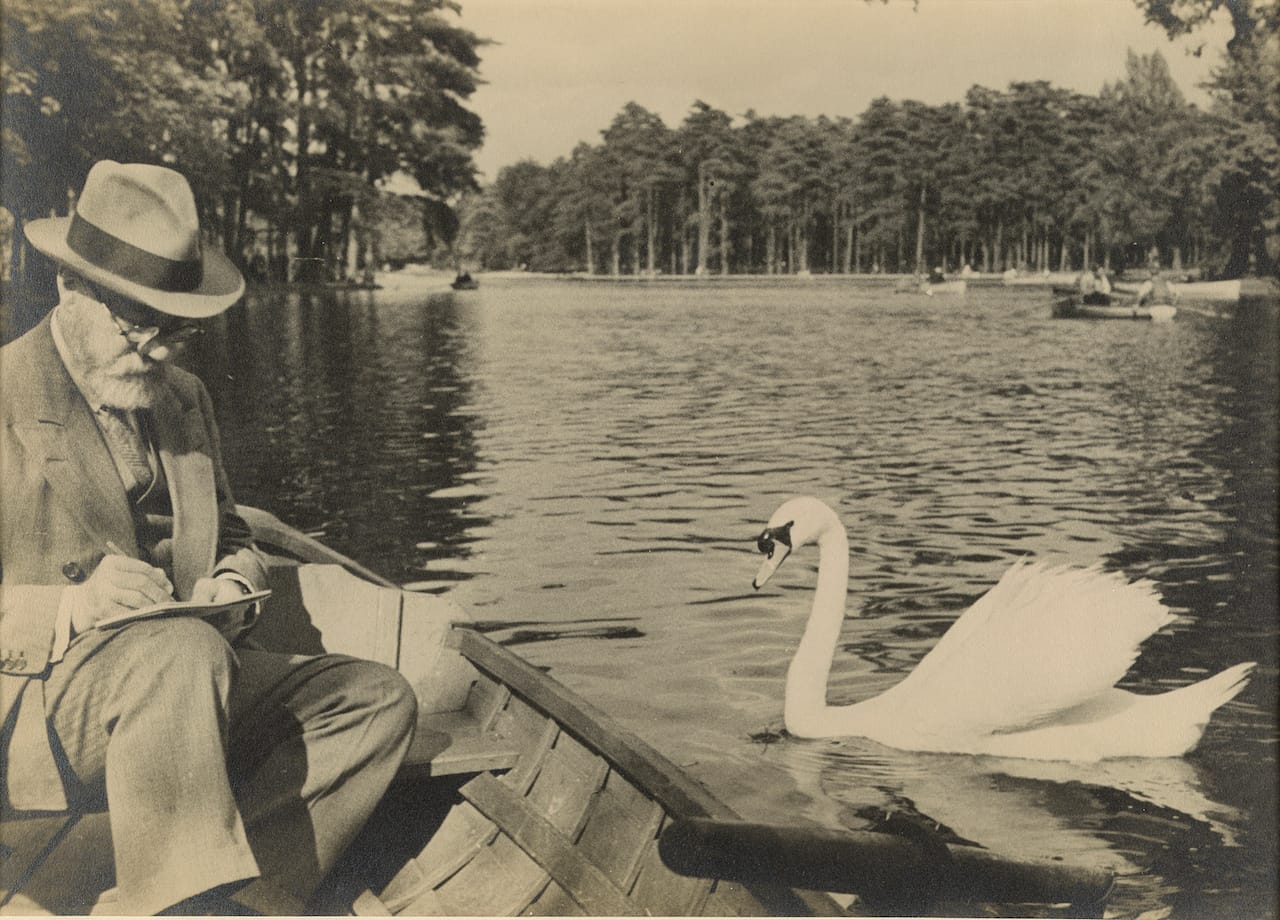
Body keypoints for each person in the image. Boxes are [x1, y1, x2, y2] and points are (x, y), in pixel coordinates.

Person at [0, 161, 418, 915]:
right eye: (138, 322)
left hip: (183, 682)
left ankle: (224, 901)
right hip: (36, 704)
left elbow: (232, 537)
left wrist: (234, 584)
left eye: (177, 330)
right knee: (182, 654)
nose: (159, 350)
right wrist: (70, 606)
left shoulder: (183, 399)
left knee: (373, 699)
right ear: (69, 287)